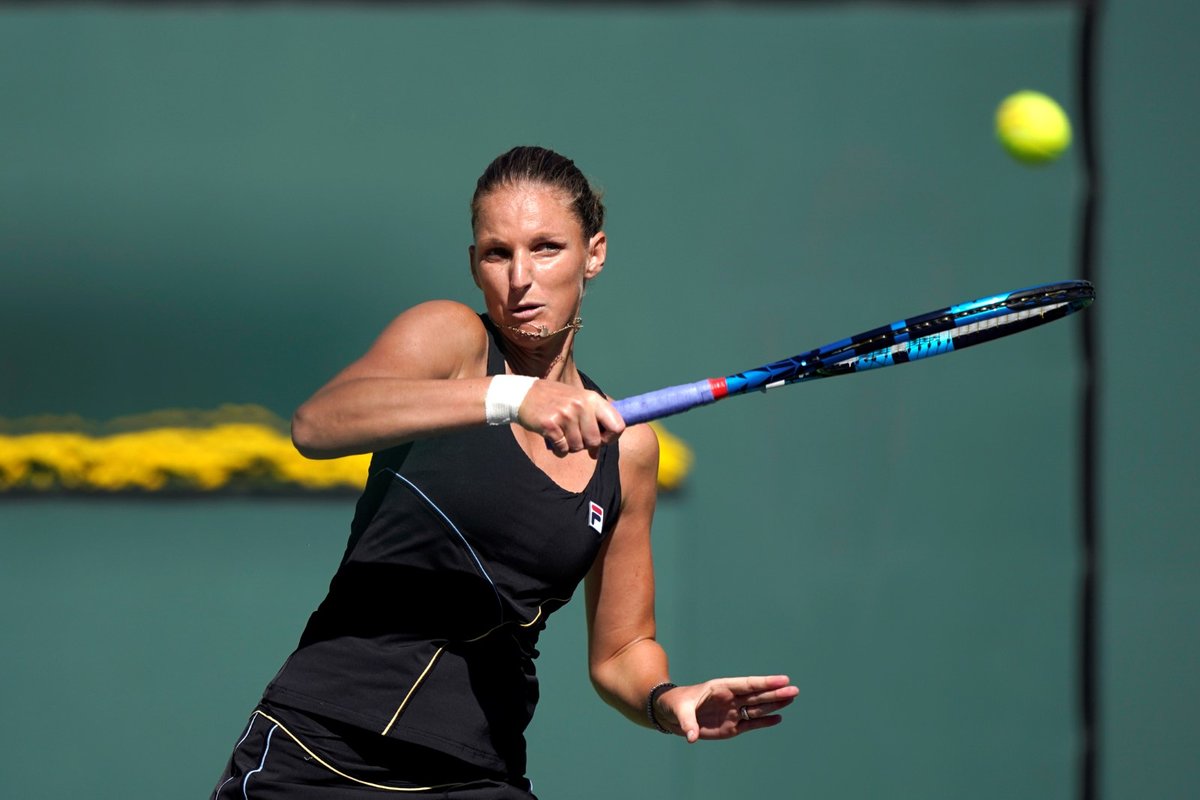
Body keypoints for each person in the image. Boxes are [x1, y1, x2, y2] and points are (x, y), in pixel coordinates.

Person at [212, 146, 798, 798]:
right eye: (498, 253)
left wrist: (668, 699)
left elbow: (621, 651)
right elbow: (318, 425)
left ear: (594, 254)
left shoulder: (628, 454)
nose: (521, 278)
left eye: (546, 248)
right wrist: (510, 399)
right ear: (474, 265)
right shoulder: (452, 342)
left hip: (478, 771)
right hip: (320, 752)